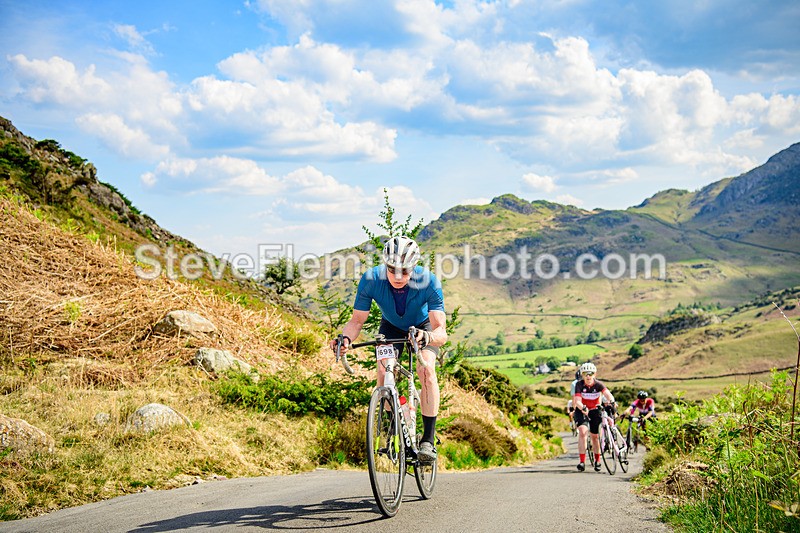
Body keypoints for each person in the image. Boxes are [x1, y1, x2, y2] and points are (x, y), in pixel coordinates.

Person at [331, 236, 447, 463]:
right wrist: (345, 338)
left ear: (414, 267)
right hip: (391, 327)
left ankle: (428, 441)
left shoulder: (429, 281)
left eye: (404, 271)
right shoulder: (371, 279)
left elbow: (441, 331)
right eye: (392, 269)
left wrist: (428, 336)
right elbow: (356, 321)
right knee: (384, 374)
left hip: (423, 329)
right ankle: (396, 426)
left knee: (426, 371)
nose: (397, 276)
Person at [572, 362, 615, 472]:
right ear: (582, 375)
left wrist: (612, 401)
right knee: (582, 432)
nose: (588, 376)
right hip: (582, 410)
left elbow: (607, 394)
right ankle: (582, 462)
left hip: (595, 411)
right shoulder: (579, 385)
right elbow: (577, 401)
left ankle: (598, 460)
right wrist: (584, 408)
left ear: (594, 374)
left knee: (595, 437)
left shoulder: (598, 384)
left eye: (590, 374)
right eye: (585, 374)